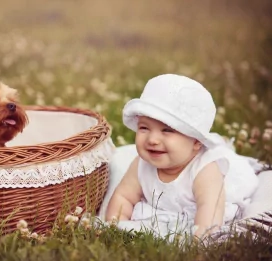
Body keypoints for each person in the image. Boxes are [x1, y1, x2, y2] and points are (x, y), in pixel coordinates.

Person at [102, 74, 260, 240]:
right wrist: (116, 225)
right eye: (144, 128)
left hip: (217, 193)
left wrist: (200, 240)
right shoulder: (141, 164)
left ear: (196, 142)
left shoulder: (205, 170)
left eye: (167, 130)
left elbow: (210, 209)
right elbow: (123, 196)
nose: (152, 140)